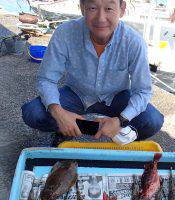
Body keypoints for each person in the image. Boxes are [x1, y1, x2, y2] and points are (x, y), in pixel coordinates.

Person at [21, 0, 164, 145]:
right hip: (76, 93)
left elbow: (143, 91)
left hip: (116, 96)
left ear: (122, 9)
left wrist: (121, 120)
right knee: (33, 113)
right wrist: (59, 113)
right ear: (82, 8)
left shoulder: (134, 41)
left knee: (153, 120)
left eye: (109, 8)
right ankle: (66, 128)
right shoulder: (64, 33)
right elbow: (46, 79)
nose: (101, 18)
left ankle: (123, 133)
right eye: (93, 8)